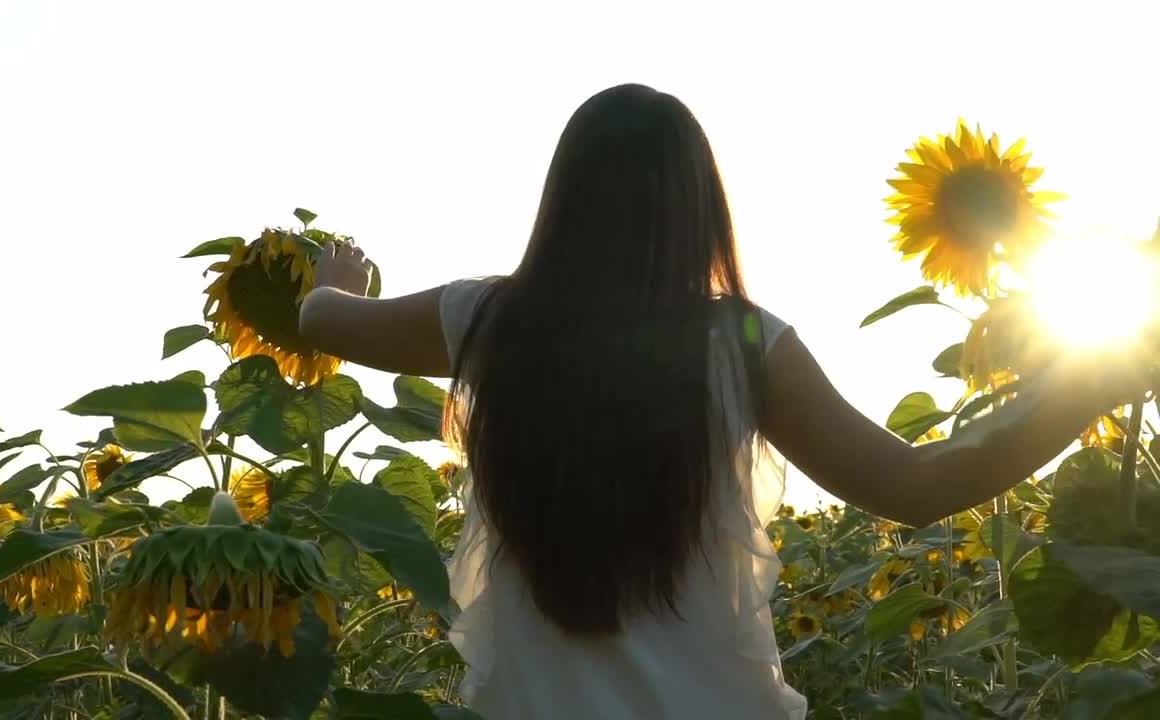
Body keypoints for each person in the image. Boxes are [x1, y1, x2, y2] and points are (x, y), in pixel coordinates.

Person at [296, 84, 1124, 719]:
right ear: (700, 213)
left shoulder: (483, 320)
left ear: (563, 203)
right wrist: (1097, 380)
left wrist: (337, 282)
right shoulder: (744, 344)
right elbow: (914, 485)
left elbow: (324, 320)